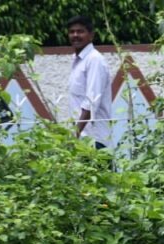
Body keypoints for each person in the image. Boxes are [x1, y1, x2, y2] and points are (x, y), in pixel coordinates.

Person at [67, 15, 112, 149]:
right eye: (72, 32)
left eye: (80, 31)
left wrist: (75, 133)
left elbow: (91, 102)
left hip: (94, 139)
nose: (75, 35)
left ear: (91, 35)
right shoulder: (78, 60)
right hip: (82, 139)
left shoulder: (94, 60)